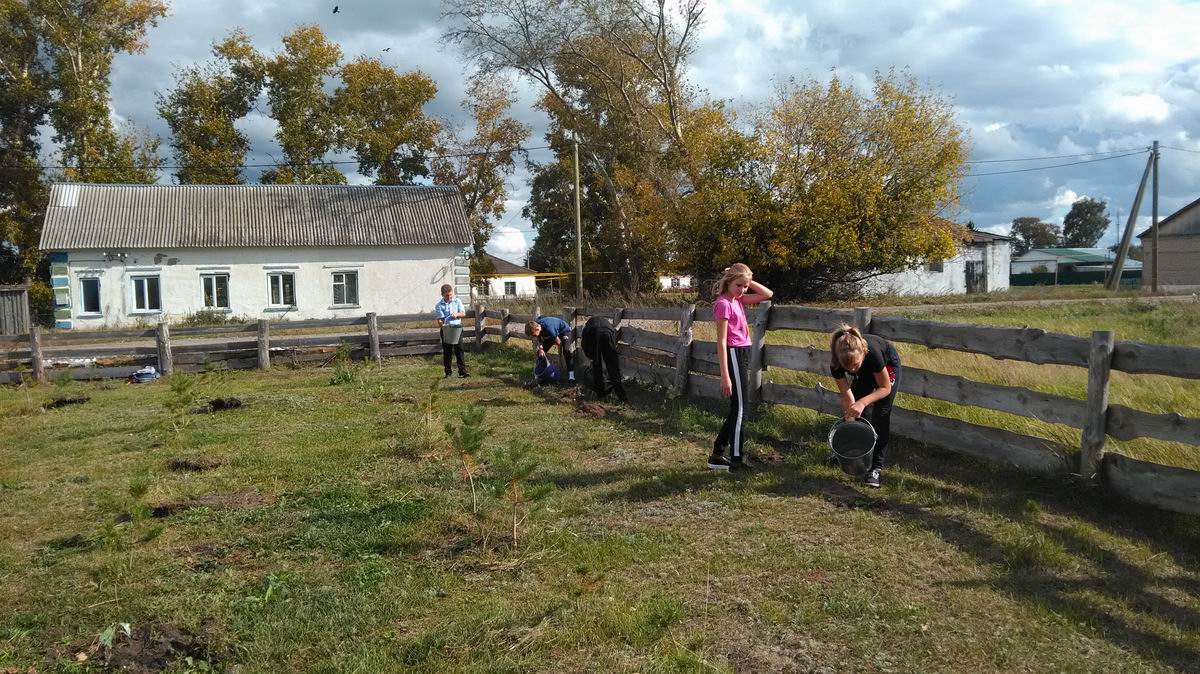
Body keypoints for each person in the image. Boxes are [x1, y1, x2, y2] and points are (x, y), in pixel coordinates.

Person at [708, 263, 773, 472]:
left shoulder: (738, 300)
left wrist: (747, 278)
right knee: (741, 409)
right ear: (728, 282)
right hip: (734, 354)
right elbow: (721, 341)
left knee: (738, 408)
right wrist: (725, 375)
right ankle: (736, 460)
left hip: (743, 352)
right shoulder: (724, 304)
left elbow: (767, 294)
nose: (743, 290)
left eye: (745, 286)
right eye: (739, 285)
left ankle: (717, 454)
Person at [829, 325, 901, 488]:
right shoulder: (836, 364)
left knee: (880, 415)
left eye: (855, 365)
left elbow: (884, 388)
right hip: (866, 370)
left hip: (886, 366)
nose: (852, 370)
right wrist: (850, 419)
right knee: (853, 413)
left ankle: (875, 468)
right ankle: (848, 452)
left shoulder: (873, 355)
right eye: (848, 368)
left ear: (862, 353)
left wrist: (862, 402)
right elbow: (847, 396)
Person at [580, 315, 626, 401]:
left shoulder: (587, 327)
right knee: (613, 367)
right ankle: (621, 395)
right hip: (608, 333)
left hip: (594, 333)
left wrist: (590, 356)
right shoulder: (605, 322)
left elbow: (584, 343)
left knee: (597, 366)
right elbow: (613, 336)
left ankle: (601, 393)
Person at [526, 315, 576, 382]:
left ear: (537, 329)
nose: (533, 336)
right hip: (552, 334)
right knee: (540, 354)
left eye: (534, 335)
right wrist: (541, 349)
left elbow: (558, 342)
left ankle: (571, 376)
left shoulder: (548, 327)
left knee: (566, 351)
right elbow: (539, 338)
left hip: (564, 331)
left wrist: (560, 356)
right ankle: (539, 375)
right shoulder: (537, 326)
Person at [434, 284, 469, 378]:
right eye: (447, 295)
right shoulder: (439, 305)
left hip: (457, 328)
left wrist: (457, 314)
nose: (449, 297)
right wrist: (443, 326)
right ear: (442, 295)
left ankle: (462, 372)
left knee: (459, 350)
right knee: (447, 351)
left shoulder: (457, 301)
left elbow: (463, 313)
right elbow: (440, 319)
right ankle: (448, 372)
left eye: (450, 295)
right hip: (446, 329)